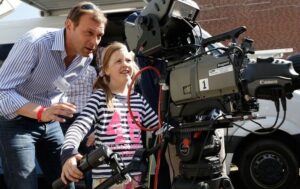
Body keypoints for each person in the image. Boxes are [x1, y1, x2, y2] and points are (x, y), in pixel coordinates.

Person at [0, 2, 107, 189]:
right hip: (16, 123)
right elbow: (2, 92)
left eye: (99, 35)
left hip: (51, 123)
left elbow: (59, 85)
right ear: (69, 25)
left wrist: (59, 108)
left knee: (66, 183)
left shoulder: (86, 57)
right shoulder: (35, 42)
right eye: (89, 33)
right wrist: (42, 112)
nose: (94, 42)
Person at [60, 42, 159, 189]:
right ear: (106, 69)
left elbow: (158, 126)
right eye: (118, 61)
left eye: (128, 60)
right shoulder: (100, 97)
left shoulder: (139, 100)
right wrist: (69, 152)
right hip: (107, 180)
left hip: (135, 177)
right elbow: (79, 126)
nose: (125, 64)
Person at [60, 64, 98, 189]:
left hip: (65, 115)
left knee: (67, 157)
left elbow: (57, 93)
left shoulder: (61, 71)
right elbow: (96, 92)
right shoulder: (91, 70)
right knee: (90, 160)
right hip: (87, 116)